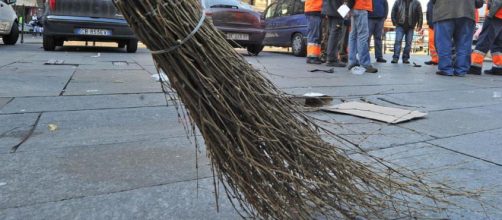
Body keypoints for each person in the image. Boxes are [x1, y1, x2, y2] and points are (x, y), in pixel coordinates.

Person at [433, 0, 484, 76]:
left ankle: (446, 69)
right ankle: (461, 70)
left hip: (444, 12)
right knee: (464, 44)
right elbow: (479, 3)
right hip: (467, 13)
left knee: (444, 42)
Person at [469, 0, 502, 75]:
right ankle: (499, 67)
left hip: (496, 14)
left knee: (485, 39)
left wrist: (490, 14)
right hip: (499, 16)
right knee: (498, 43)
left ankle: (475, 66)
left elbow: (498, 1)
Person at [347, 0, 378, 73]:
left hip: (354, 7)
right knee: (362, 36)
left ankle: (352, 62)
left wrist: (349, 7)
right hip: (361, 6)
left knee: (353, 36)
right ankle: (365, 64)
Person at [322, 0, 347, 67]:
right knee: (335, 34)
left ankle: (330, 58)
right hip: (336, 9)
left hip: (330, 8)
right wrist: (344, 11)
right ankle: (332, 59)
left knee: (332, 34)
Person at [305, 0, 324, 64]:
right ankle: (311, 57)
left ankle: (316, 56)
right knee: (314, 35)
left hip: (316, 10)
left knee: (317, 36)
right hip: (313, 9)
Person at [424, 0, 438, 65]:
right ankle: (434, 59)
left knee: (440, 42)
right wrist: (428, 21)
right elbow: (427, 13)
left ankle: (441, 59)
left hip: (439, 24)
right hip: (431, 25)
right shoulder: (429, 3)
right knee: (431, 42)